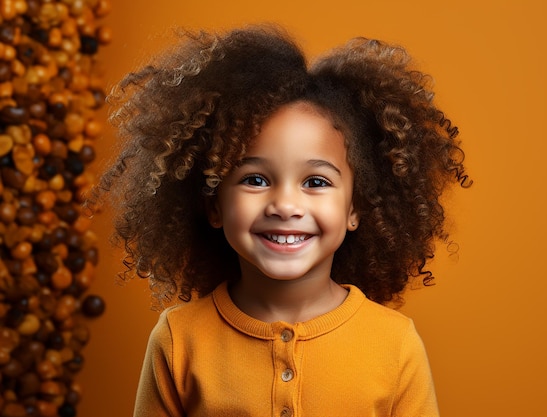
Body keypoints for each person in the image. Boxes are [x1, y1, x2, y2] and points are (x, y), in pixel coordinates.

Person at [92, 24, 470, 417]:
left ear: (354, 208)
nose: (286, 205)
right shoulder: (179, 340)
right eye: (255, 179)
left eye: (316, 181)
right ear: (214, 205)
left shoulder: (394, 345)